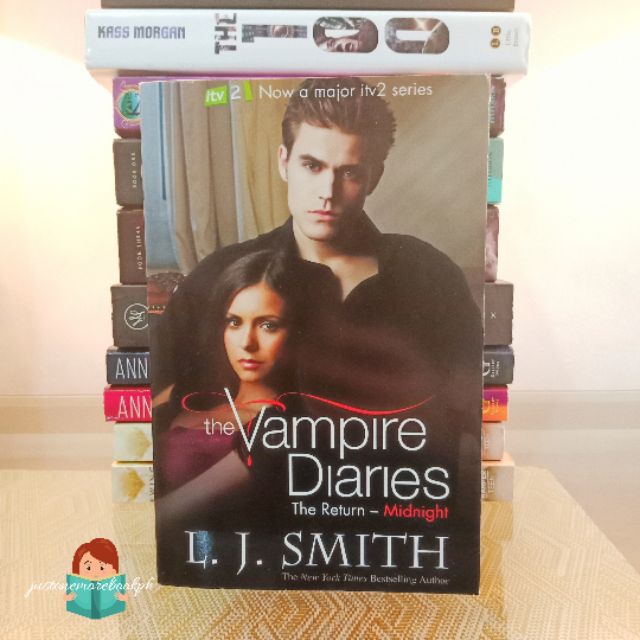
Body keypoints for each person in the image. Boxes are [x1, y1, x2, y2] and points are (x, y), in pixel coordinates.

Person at [155, 249, 302, 524]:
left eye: (268, 325)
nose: (247, 342)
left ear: (295, 331)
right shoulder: (190, 394)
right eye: (234, 322)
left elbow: (166, 515)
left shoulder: (280, 428)